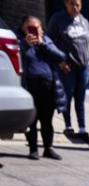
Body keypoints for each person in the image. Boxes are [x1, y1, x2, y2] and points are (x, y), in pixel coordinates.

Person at [18, 16, 66, 161]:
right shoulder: (19, 40)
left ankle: (48, 148)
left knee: (47, 120)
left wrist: (43, 44)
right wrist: (25, 45)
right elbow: (16, 56)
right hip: (30, 85)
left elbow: (61, 56)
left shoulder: (46, 40)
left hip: (48, 85)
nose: (33, 31)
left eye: (36, 28)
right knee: (31, 119)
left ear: (41, 29)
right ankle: (33, 149)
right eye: (29, 28)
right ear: (23, 28)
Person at [47, 0, 89, 144]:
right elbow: (49, 41)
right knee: (67, 96)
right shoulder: (58, 19)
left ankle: (82, 128)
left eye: (78, 5)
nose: (75, 7)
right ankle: (68, 125)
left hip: (83, 66)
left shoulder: (84, 21)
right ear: (66, 4)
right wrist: (59, 61)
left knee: (80, 98)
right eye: (72, 4)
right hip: (67, 66)